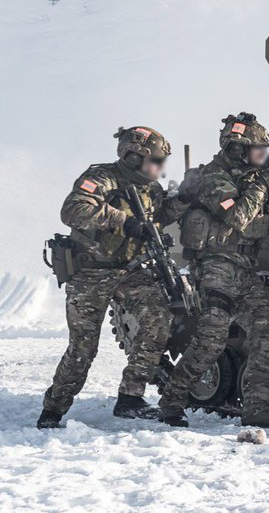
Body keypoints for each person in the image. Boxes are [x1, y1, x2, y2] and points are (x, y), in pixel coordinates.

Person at [157, 113, 269, 428]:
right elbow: (238, 218)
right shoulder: (213, 178)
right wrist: (264, 181)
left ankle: (255, 409)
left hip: (244, 270)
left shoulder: (253, 178)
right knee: (211, 341)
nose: (263, 155)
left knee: (267, 337)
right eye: (258, 150)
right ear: (237, 149)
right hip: (215, 267)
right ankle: (171, 401)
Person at [39, 127, 186, 429]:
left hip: (129, 270)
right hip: (90, 272)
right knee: (83, 348)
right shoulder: (102, 178)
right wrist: (123, 221)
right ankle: (53, 408)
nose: (160, 167)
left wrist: (184, 198)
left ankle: (130, 397)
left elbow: (160, 217)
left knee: (158, 319)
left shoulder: (151, 189)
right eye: (156, 161)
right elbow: (73, 210)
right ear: (133, 156)